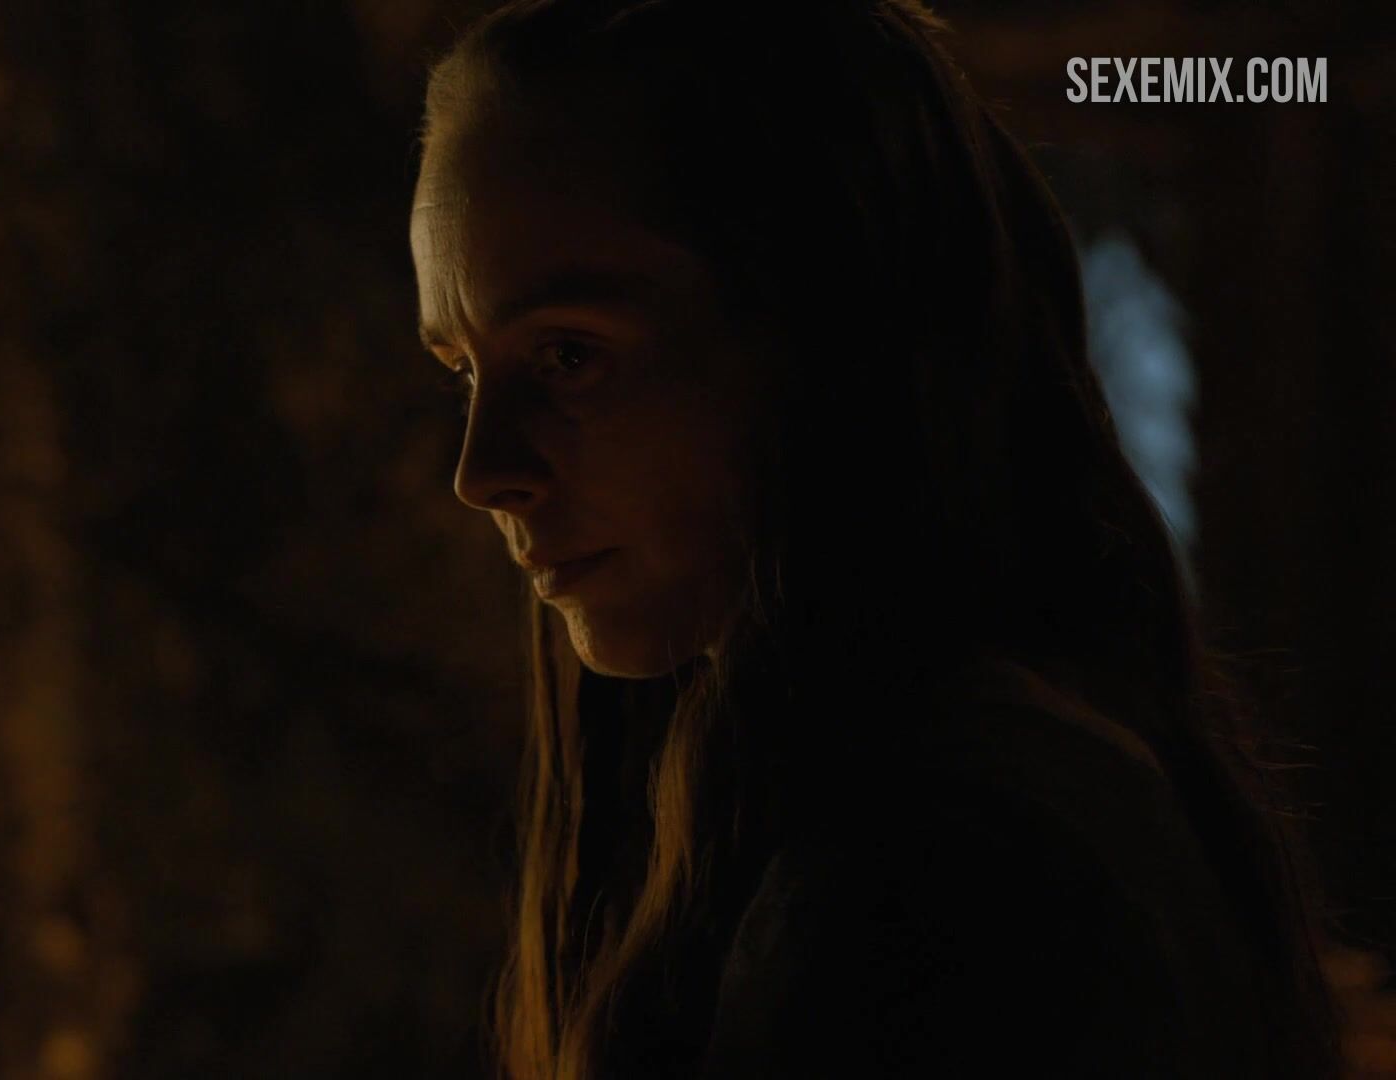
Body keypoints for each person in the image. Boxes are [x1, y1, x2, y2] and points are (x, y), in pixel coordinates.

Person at [406, 1, 1347, 1076]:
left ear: (825, 335)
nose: (481, 471)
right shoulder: (962, 790)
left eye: (569, 355)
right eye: (464, 371)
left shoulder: (937, 879)